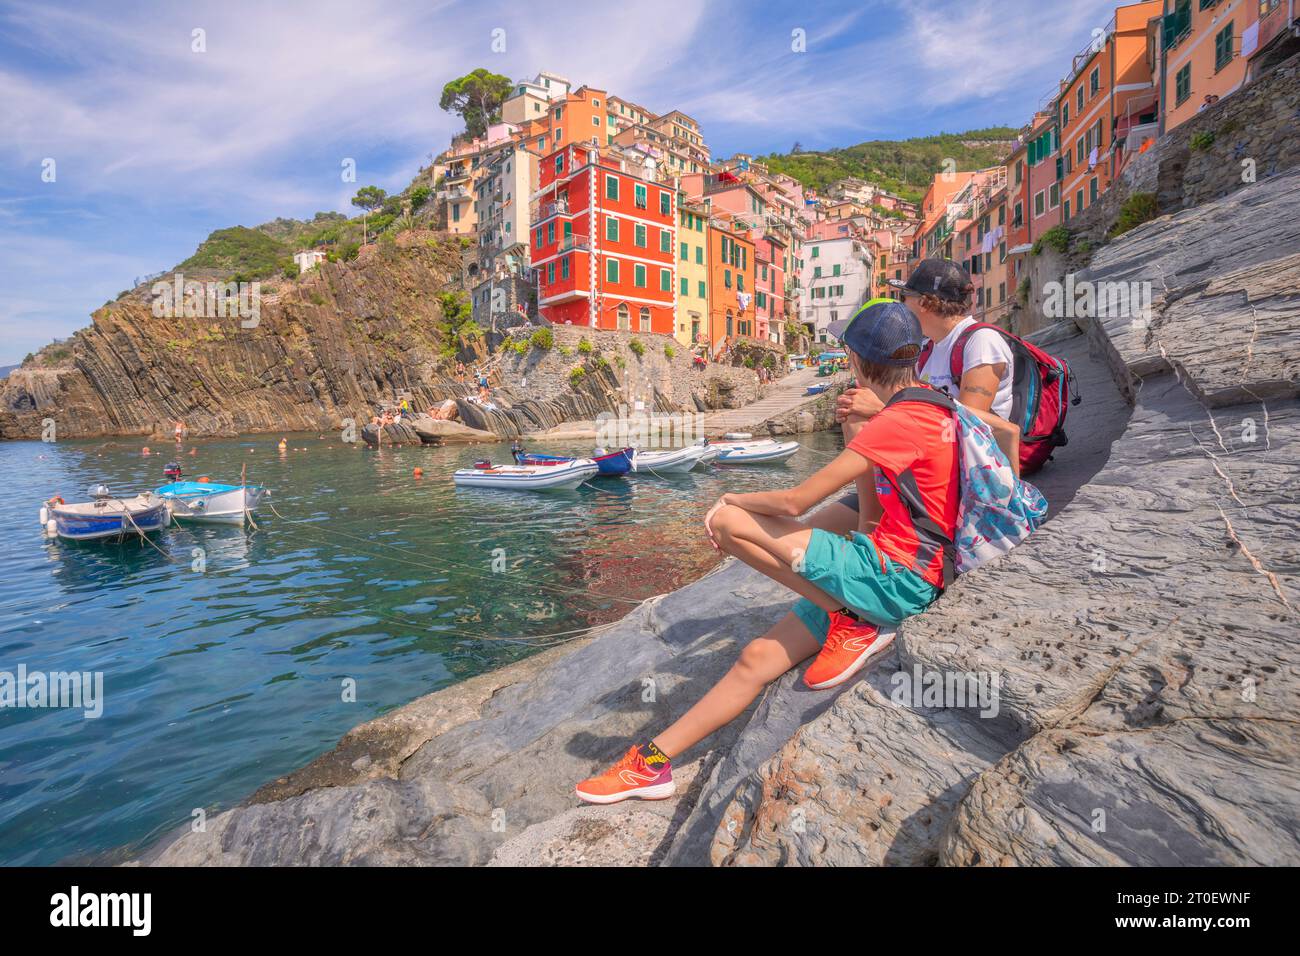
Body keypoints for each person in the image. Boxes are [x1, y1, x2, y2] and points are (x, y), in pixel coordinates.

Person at [574, 300, 964, 805]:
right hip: (889, 571)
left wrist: (730, 501)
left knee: (733, 523)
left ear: (855, 359)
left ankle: (849, 619)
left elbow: (796, 501)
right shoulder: (926, 404)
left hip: (897, 580)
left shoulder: (901, 420)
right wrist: (854, 437)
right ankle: (651, 764)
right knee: (756, 657)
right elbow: (869, 522)